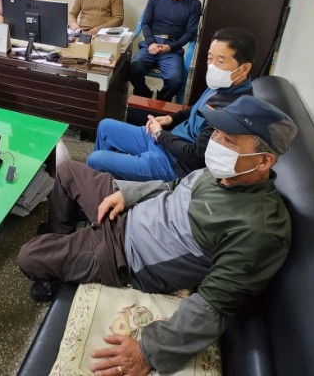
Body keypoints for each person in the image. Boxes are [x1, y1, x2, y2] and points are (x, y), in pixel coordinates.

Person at [18, 95, 298, 376]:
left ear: (264, 161)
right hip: (130, 211)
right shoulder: (221, 174)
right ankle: (63, 247)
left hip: (124, 254)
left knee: (29, 256)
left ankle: (62, 260)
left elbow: (213, 306)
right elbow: (172, 187)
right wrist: (127, 194)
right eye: (216, 133)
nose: (215, 143)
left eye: (229, 140)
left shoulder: (258, 230)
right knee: (67, 171)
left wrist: (147, 352)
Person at [88, 27, 255, 181]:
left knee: (95, 159)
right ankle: (105, 184)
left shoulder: (232, 111)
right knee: (105, 127)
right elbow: (196, 109)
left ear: (244, 68)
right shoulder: (223, 84)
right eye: (210, 58)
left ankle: (107, 187)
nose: (212, 67)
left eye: (221, 61)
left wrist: (160, 135)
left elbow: (195, 157)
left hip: (173, 164)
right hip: (167, 141)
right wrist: (171, 118)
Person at [130, 0, 202, 102]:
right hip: (151, 44)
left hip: (172, 48)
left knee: (175, 79)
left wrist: (170, 47)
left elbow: (190, 32)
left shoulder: (194, 4)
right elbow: (145, 23)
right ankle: (144, 94)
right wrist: (151, 43)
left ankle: (162, 100)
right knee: (134, 69)